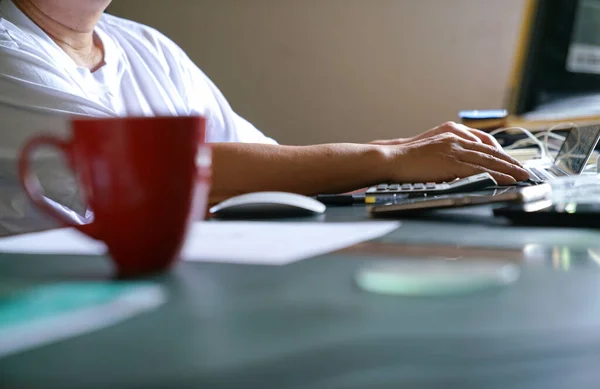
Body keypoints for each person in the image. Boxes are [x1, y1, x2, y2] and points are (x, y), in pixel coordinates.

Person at [0, 0, 529, 236]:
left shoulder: (145, 46)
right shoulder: (7, 48)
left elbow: (263, 166)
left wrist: (407, 157)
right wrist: (390, 157)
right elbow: (162, 174)